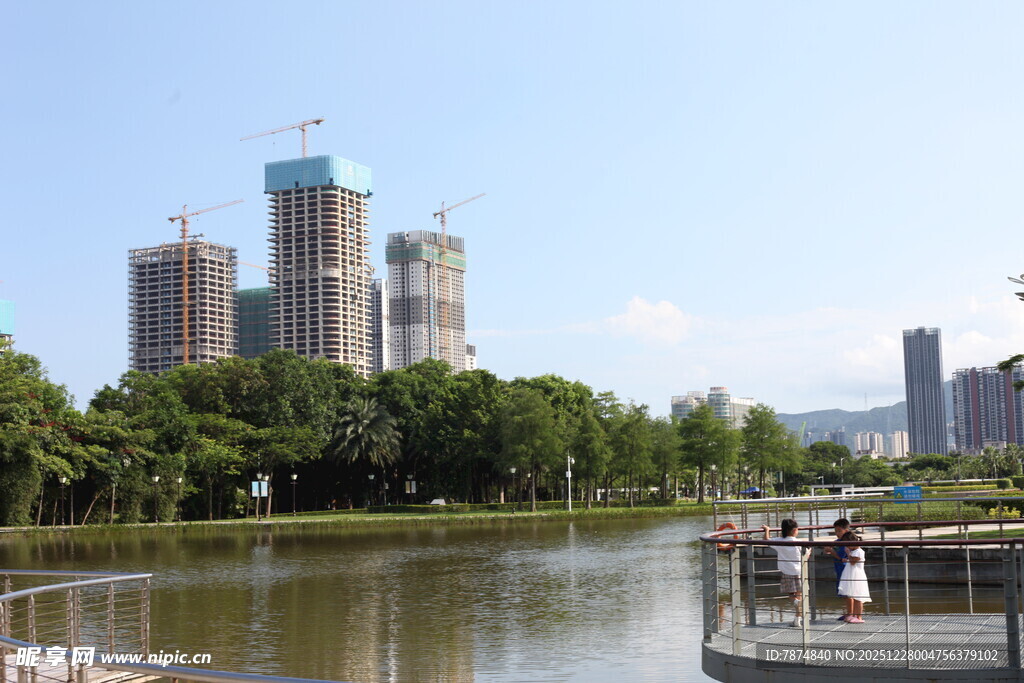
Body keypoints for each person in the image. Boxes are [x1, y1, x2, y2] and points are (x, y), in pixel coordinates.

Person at [762, 519, 804, 627]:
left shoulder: (779, 541)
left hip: (786, 572)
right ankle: (797, 619)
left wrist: (767, 530)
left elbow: (766, 540)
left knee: (791, 595)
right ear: (795, 530)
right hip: (799, 571)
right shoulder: (798, 543)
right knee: (799, 595)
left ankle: (795, 605)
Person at [837, 531, 871, 623]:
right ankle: (854, 615)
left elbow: (853, 561)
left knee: (858, 597)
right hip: (851, 575)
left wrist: (848, 554)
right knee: (853, 595)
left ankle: (859, 616)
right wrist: (847, 558)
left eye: (847, 544)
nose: (846, 547)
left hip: (857, 576)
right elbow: (850, 560)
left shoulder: (859, 551)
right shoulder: (854, 551)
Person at [824, 518, 851, 619]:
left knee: (848, 592)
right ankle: (848, 612)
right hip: (839, 570)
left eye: (839, 531)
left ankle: (851, 613)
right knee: (843, 592)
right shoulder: (838, 542)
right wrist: (827, 550)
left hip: (845, 570)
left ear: (846, 531)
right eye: (836, 531)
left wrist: (832, 552)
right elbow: (832, 550)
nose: (837, 533)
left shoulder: (848, 543)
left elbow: (841, 558)